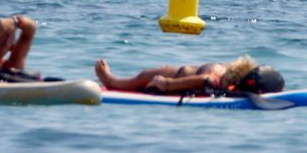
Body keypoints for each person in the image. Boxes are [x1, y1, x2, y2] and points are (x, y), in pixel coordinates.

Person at [94, 55, 284, 95]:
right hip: (182, 72)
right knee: (145, 77)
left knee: (144, 78)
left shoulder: (217, 77)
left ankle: (112, 80)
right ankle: (111, 80)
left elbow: (204, 79)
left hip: (178, 75)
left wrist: (166, 84)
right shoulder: (223, 74)